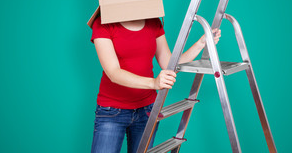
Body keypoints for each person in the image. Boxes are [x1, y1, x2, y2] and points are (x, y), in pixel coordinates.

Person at [90, 14, 221, 153]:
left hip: (147, 111)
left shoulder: (153, 21)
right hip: (113, 111)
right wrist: (153, 83)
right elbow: (113, 73)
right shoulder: (103, 22)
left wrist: (201, 43)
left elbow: (168, 64)